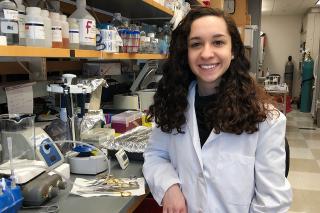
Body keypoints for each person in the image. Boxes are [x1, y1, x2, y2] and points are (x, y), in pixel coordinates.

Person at [142, 7, 292, 213]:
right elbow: (155, 154)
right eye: (196, 44)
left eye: (218, 42)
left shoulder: (265, 119)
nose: (206, 53)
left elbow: (272, 203)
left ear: (233, 51)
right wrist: (169, 186)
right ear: (186, 53)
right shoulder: (174, 104)